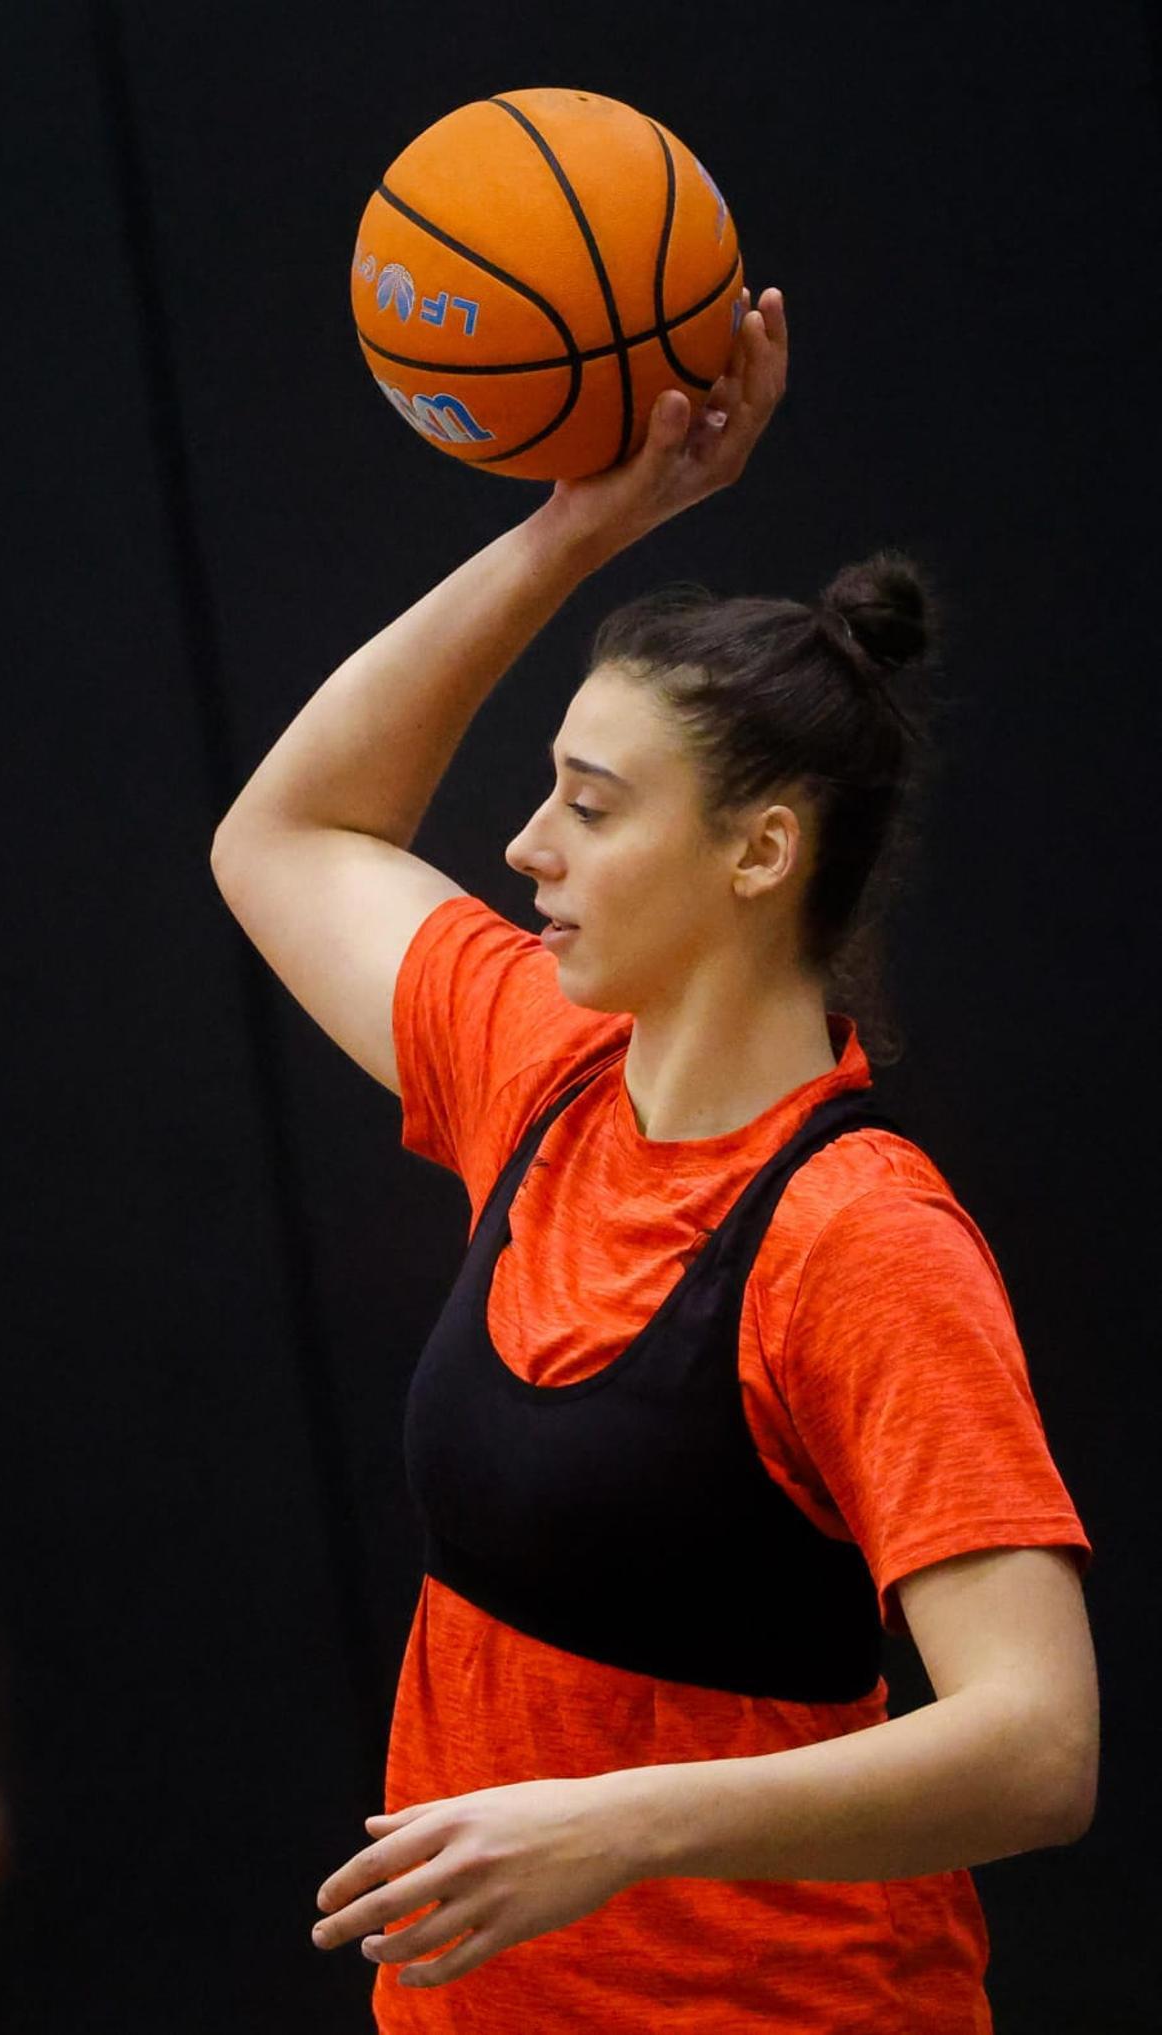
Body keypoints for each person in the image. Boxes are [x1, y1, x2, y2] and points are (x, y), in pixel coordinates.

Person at [211, 288, 1098, 2032]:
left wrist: (618, 1827)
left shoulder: (858, 1241)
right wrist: (579, 527)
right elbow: (285, 832)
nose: (525, 844)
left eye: (593, 805)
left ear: (761, 853)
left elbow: (1038, 1744)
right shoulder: (539, 1071)